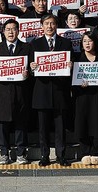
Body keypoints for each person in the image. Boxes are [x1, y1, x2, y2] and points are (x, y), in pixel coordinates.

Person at [30, 14, 73, 166]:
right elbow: (29, 70)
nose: (49, 26)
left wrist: (70, 67)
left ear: (56, 26)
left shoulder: (66, 43)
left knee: (60, 127)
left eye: (52, 23)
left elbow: (70, 67)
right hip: (41, 92)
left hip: (60, 91)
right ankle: (44, 155)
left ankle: (61, 155)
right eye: (46, 23)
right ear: (42, 26)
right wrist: (32, 68)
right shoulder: (35, 44)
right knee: (43, 128)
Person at [0, 19, 32, 165]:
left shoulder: (27, 48)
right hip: (2, 91)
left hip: (20, 91)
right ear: (3, 31)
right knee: (3, 124)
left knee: (21, 123)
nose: (10, 32)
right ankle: (4, 153)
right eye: (8, 29)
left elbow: (33, 69)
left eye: (13, 29)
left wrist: (29, 73)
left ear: (18, 31)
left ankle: (21, 153)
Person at [73, 32, 98, 166]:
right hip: (82, 97)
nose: (87, 44)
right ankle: (84, 152)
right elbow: (72, 80)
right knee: (83, 123)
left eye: (90, 41)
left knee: (97, 123)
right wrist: (79, 84)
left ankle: (96, 152)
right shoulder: (77, 58)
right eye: (85, 41)